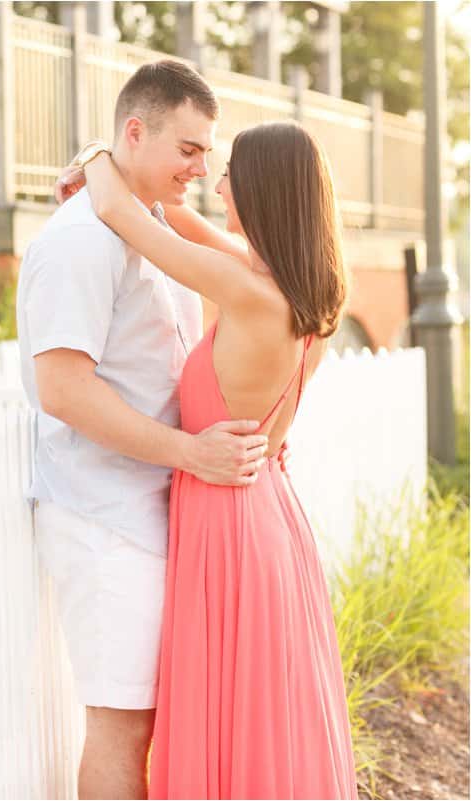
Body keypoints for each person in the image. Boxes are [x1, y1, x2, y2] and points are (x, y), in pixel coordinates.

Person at [58, 118, 358, 797]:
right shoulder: (301, 292)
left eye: (229, 174)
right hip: (270, 512)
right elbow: (175, 215)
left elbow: (117, 212)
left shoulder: (247, 290)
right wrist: (161, 188)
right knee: (263, 710)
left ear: (260, 191)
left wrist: (98, 155)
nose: (215, 182)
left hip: (226, 516)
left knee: (229, 703)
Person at [15, 60, 272, 800]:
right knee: (121, 725)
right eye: (188, 149)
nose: (202, 167)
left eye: (207, 152)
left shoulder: (148, 223)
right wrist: (190, 451)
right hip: (103, 519)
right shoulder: (79, 243)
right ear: (136, 131)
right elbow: (63, 391)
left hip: (154, 513)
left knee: (154, 720)